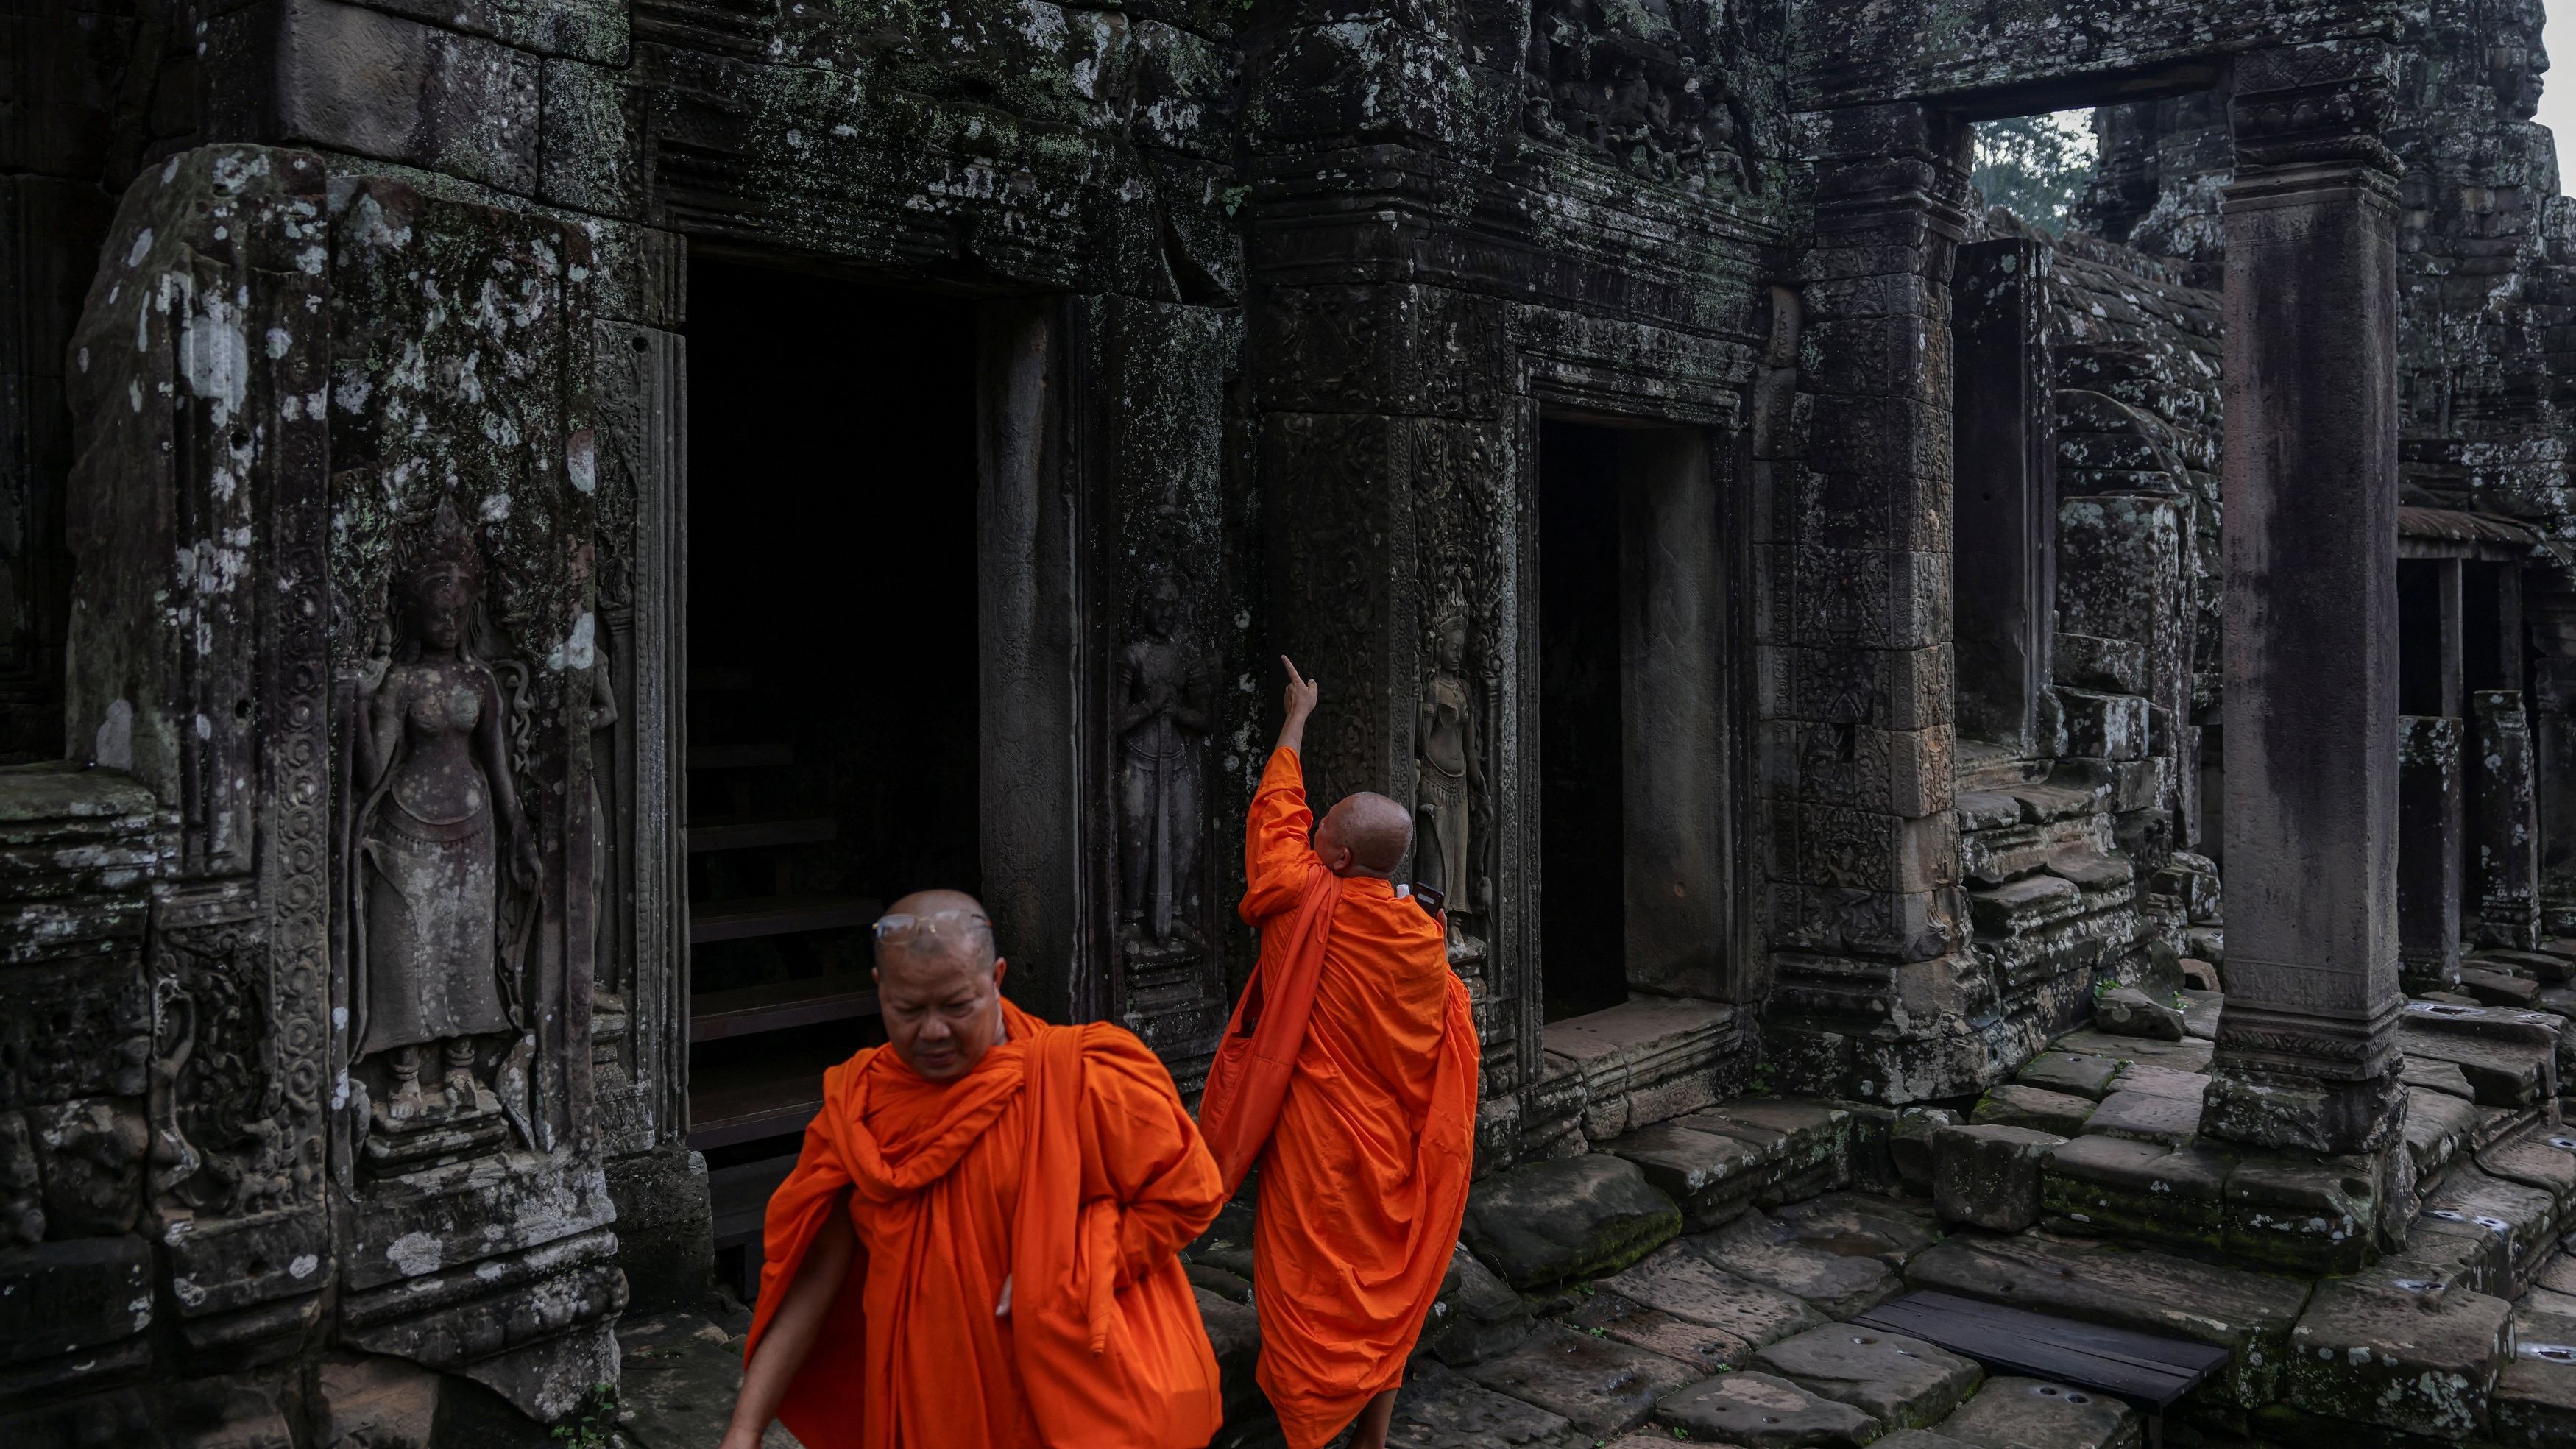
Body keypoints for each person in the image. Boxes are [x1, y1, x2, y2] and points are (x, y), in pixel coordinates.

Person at [718, 890, 1228, 1449]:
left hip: (1060, 1400)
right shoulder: (863, 1107)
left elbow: (1191, 1192)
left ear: (996, 978)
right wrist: (744, 1430)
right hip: (929, 1403)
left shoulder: (1078, 1079)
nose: (933, 1031)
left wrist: (1074, 1263)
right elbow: (815, 1275)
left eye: (957, 1005)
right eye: (908, 1009)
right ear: (879, 989)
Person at [1196, 659, 1479, 1449]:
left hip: (1320, 1148)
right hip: (1390, 1149)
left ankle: (1310, 1434)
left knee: (1309, 1299)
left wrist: (1295, 719)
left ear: (1341, 858)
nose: (1310, 832)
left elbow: (1272, 814)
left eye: (1324, 834)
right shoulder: (1422, 939)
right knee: (1380, 1300)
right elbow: (1443, 1033)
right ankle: (1372, 1440)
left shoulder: (1300, 897)